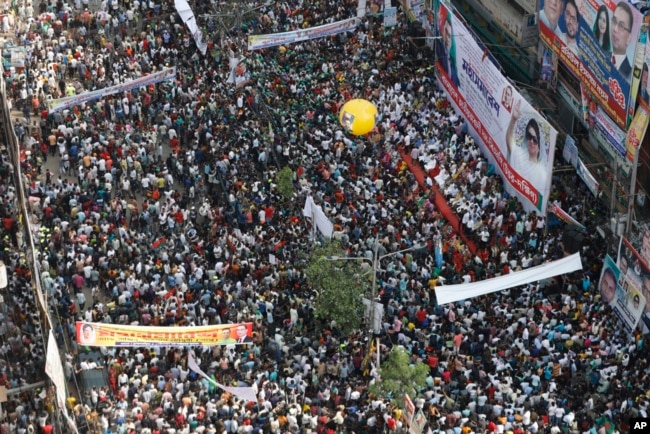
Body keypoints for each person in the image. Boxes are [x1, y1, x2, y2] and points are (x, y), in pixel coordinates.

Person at [505, 99, 548, 189]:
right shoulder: (520, 155)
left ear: (539, 145)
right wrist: (513, 119)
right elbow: (509, 142)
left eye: (535, 139)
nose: (531, 141)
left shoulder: (541, 172)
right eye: (529, 136)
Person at [610, 1, 634, 82]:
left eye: (621, 26)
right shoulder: (602, 54)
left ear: (629, 38)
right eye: (614, 21)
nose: (615, 29)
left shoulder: (630, 75)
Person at [437, 7, 459, 87]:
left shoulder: (453, 65)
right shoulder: (439, 48)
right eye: (445, 31)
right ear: (442, 31)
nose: (447, 38)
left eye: (449, 36)